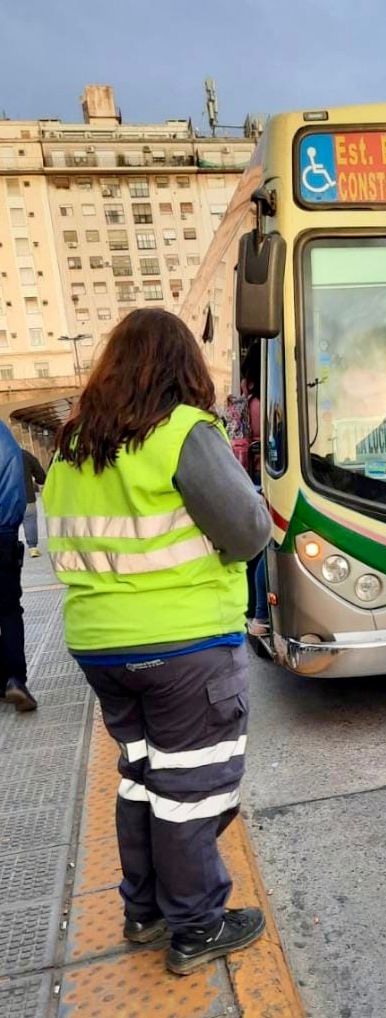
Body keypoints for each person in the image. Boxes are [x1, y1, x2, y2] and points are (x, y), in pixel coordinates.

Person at [42, 308, 271, 975]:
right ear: (182, 368)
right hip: (183, 648)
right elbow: (250, 529)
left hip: (101, 650)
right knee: (192, 791)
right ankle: (196, 927)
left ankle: (143, 910)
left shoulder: (75, 445)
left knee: (144, 779)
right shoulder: (179, 435)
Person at [0, 421, 38, 711]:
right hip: (2, 534)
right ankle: (16, 680)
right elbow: (15, 489)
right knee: (9, 610)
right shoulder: (4, 437)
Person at [20, 448, 46, 557]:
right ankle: (33, 548)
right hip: (27, 496)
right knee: (30, 520)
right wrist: (40, 480)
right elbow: (39, 473)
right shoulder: (25, 455)